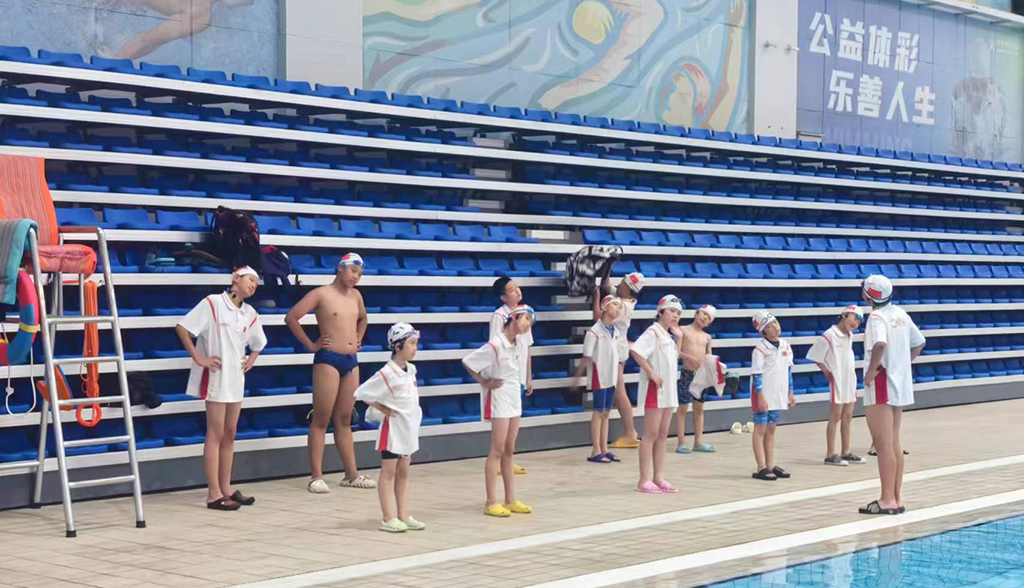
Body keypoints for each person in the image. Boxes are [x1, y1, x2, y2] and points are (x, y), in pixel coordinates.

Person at [175, 266, 266, 511]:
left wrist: (252, 359)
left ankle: (226, 487)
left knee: (230, 433)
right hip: (216, 377)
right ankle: (213, 493)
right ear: (236, 278)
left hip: (236, 378)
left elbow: (258, 342)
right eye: (250, 279)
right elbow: (183, 328)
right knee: (215, 433)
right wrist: (199, 358)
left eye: (256, 282)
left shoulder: (249, 313)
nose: (254, 285)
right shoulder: (213, 303)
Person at [285, 253, 375, 493]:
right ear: (340, 268)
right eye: (353, 271)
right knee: (321, 419)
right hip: (328, 360)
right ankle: (316, 476)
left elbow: (363, 318)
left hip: (351, 361)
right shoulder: (321, 294)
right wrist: (310, 344)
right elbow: (291, 317)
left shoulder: (356, 296)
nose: (356, 277)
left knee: (345, 419)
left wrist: (358, 337)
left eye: (360, 273)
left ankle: (351, 474)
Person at [859, 275, 926, 516]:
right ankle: (896, 497)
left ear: (869, 295)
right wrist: (902, 364)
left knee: (883, 444)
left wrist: (870, 372)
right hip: (898, 383)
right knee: (894, 443)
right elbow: (919, 342)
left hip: (881, 383)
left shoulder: (876, 317)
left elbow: (879, 344)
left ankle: (886, 499)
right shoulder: (900, 313)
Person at [464, 305, 536, 517]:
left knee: (509, 449)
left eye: (531, 322)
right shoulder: (496, 344)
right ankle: (490, 501)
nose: (528, 325)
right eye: (526, 319)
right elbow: (468, 362)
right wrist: (483, 381)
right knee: (496, 449)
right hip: (500, 396)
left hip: (514, 396)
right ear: (514, 317)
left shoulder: (518, 343)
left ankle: (510, 499)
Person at [354, 323, 426, 533]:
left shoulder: (411, 370)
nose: (415, 348)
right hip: (393, 429)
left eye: (416, 343)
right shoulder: (386, 373)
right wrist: (382, 408)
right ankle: (388, 517)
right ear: (397, 346)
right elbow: (361, 393)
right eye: (411, 344)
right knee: (388, 472)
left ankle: (403, 514)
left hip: (409, 428)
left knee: (403, 472)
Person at [630, 295, 684, 494]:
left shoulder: (668, 336)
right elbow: (636, 351)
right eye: (672, 311)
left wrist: (680, 338)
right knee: (650, 434)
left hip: (669, 391)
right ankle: (643, 479)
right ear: (660, 312)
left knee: (662, 435)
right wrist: (651, 373)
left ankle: (658, 477)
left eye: (678, 313)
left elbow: (673, 359)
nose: (675, 316)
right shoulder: (653, 331)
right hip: (656, 390)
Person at [807, 305, 866, 467]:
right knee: (836, 416)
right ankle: (830, 454)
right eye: (854, 318)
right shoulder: (829, 335)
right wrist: (827, 371)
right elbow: (814, 355)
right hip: (838, 380)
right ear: (844, 315)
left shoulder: (850, 335)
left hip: (850, 379)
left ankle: (845, 451)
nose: (856, 323)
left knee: (848, 415)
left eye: (859, 321)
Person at [594, 272, 644, 450]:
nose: (619, 283)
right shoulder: (623, 297)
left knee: (619, 392)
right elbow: (608, 285)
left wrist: (596, 297)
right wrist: (607, 267)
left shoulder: (622, 307)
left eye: (622, 282)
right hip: (616, 347)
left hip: (616, 349)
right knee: (617, 391)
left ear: (628, 287)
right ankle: (630, 432)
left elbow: (599, 317)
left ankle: (631, 433)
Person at [489, 277, 532, 475]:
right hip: (505, 378)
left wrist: (528, 376)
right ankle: (499, 460)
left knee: (514, 422)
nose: (517, 291)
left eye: (517, 287)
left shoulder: (525, 312)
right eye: (511, 289)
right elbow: (494, 347)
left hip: (519, 377)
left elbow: (527, 348)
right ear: (503, 297)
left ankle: (508, 458)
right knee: (503, 422)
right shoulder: (499, 316)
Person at [574, 295, 623, 464]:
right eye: (614, 305)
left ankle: (604, 448)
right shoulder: (594, 331)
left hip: (611, 376)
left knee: (607, 413)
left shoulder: (616, 332)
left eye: (620, 307)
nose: (618, 309)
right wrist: (578, 376)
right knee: (598, 412)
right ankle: (596, 450)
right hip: (599, 376)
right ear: (604, 307)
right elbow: (587, 356)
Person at [750, 310, 795, 482]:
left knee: (771, 429)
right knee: (760, 428)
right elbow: (757, 373)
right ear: (763, 332)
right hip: (763, 393)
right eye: (769, 326)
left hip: (778, 393)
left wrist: (790, 391)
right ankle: (761, 466)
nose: (775, 327)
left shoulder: (786, 346)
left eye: (775, 322)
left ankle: (770, 464)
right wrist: (760, 395)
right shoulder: (760, 349)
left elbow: (788, 370)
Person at [675, 304, 717, 454]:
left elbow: (709, 357)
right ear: (696, 313)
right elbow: (675, 352)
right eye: (703, 314)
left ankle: (698, 441)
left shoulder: (707, 337)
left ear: (709, 323)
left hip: (701, 375)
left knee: (699, 408)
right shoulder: (683, 331)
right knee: (683, 407)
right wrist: (686, 356)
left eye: (708, 317)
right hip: (687, 373)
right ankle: (681, 442)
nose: (704, 318)